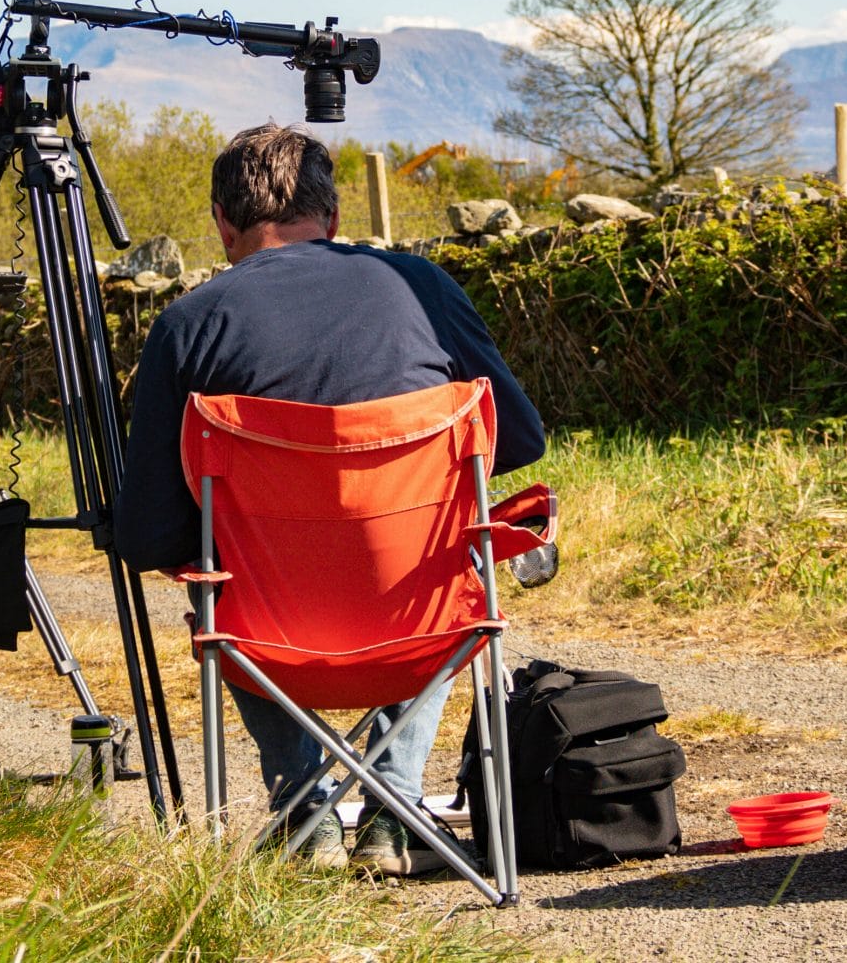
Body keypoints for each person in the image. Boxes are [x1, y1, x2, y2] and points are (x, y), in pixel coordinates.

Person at [114, 122, 545, 874]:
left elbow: (148, 534)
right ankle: (397, 814)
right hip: (418, 624)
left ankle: (305, 812)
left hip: (268, 636)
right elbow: (516, 441)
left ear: (222, 222)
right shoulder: (424, 287)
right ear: (335, 217)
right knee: (450, 566)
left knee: (221, 589)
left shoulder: (188, 325)